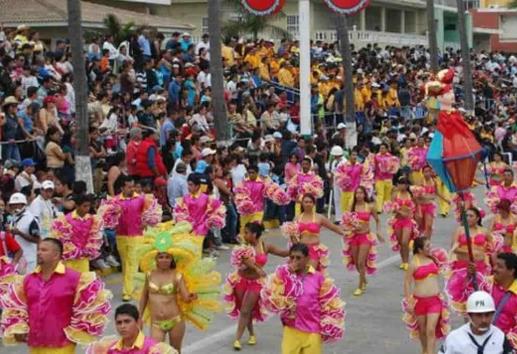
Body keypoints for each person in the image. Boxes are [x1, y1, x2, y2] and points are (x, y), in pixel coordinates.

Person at [0, 238, 111, 353]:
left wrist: (75, 332)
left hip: (62, 345)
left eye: (44, 250)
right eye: (38, 249)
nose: (39, 253)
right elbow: (17, 306)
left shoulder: (75, 279)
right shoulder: (27, 280)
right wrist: (18, 326)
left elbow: (88, 308)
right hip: (35, 343)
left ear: (56, 255)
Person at [261, 243, 345, 354]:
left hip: (312, 331)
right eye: (292, 257)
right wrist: (287, 277)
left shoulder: (318, 278)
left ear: (307, 259)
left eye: (298, 258)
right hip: (291, 329)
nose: (294, 261)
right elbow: (274, 298)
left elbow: (329, 303)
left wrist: (327, 324)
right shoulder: (283, 276)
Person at [224, 222, 288, 350]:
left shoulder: (265, 246)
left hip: (256, 283)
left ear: (254, 234)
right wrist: (257, 268)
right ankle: (252, 334)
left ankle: (237, 338)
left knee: (245, 310)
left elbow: (283, 253)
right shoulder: (243, 246)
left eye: (247, 232)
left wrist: (295, 241)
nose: (244, 235)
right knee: (245, 310)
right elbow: (245, 260)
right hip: (241, 280)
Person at [100, 175, 162, 301]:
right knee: (125, 263)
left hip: (136, 236)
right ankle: (131, 287)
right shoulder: (115, 201)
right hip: (121, 236)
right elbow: (105, 217)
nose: (131, 189)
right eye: (128, 187)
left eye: (132, 186)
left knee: (132, 262)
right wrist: (113, 214)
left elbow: (151, 213)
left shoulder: (141, 199)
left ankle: (127, 291)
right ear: (122, 187)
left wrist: (146, 221)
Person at [402, 237, 450, 354]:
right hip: (419, 302)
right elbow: (407, 282)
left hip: (434, 301)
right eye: (427, 246)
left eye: (430, 245)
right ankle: (425, 350)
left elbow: (446, 267)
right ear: (419, 250)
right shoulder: (414, 263)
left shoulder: (434, 259)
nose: (430, 248)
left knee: (430, 330)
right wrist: (409, 301)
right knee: (422, 330)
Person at [446, 207, 493, 315]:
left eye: (471, 216)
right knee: (466, 297)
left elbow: (492, 248)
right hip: (462, 268)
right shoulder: (460, 230)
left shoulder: (484, 231)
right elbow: (454, 248)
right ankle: (468, 321)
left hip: (480, 267)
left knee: (480, 294)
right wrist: (469, 253)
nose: (468, 218)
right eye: (466, 216)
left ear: (477, 218)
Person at [283, 193, 345, 272]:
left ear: (313, 203)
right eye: (306, 202)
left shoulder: (319, 217)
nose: (308, 204)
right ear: (302, 203)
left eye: (310, 202)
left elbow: (334, 228)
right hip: (301, 250)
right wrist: (293, 242)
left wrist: (346, 233)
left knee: (310, 272)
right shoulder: (297, 218)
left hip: (314, 250)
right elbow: (293, 236)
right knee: (298, 273)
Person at [439, 291, 512, 354]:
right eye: (478, 315)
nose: (484, 320)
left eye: (487, 315)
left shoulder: (500, 337)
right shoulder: (454, 338)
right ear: (469, 315)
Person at [86, 304, 177, 354]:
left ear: (137, 322)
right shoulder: (111, 349)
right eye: (119, 322)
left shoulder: (152, 349)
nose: (122, 326)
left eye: (127, 321)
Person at [342, 186, 383, 296]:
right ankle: (363, 278)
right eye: (357, 193)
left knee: (361, 262)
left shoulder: (370, 206)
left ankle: (360, 286)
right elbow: (347, 221)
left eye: (361, 193)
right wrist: (349, 228)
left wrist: (378, 232)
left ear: (365, 194)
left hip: (365, 237)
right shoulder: (352, 206)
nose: (359, 195)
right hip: (354, 237)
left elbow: (378, 220)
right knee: (356, 263)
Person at [50, 194, 103, 272]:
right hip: (70, 258)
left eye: (88, 206)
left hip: (84, 257)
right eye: (84, 206)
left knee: (84, 280)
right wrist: (73, 250)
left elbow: (94, 236)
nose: (87, 209)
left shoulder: (92, 219)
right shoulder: (66, 220)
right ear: (77, 206)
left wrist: (87, 249)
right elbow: (62, 238)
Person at [174, 174, 226, 243]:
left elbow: (217, 208)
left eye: (191, 185)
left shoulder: (206, 198)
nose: (188, 187)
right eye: (188, 185)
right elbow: (180, 212)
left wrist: (209, 221)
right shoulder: (185, 198)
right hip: (188, 227)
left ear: (197, 186)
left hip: (202, 227)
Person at [387, 177, 419, 271]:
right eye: (400, 184)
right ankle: (403, 261)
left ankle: (406, 261)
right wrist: (395, 210)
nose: (402, 186)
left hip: (407, 221)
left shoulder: (410, 194)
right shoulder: (395, 195)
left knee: (405, 241)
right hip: (397, 221)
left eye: (404, 184)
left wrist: (416, 215)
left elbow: (415, 206)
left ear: (407, 185)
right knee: (401, 242)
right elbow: (391, 208)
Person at [7, 192, 40, 273]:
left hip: (28, 258)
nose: (15, 207)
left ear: (23, 204)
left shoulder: (31, 219)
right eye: (13, 205)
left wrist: (20, 233)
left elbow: (37, 240)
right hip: (16, 258)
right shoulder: (14, 217)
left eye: (17, 204)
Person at [490, 252, 517, 349]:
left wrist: (505, 343)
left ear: (511, 271)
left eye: (500, 266)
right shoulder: (487, 284)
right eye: (495, 265)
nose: (494, 269)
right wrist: (469, 276)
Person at [414, 165, 449, 238]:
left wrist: (445, 200)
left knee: (429, 226)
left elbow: (437, 192)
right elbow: (416, 196)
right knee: (419, 226)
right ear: (422, 173)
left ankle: (427, 242)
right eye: (425, 172)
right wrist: (418, 208)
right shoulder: (420, 182)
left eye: (429, 171)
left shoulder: (434, 181)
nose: (428, 173)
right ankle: (419, 242)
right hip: (421, 206)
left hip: (429, 206)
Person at [374, 144, 400, 213]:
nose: (382, 150)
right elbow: (375, 166)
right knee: (380, 193)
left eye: (383, 148)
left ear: (386, 149)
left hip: (388, 178)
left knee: (387, 194)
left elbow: (393, 166)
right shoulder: (376, 156)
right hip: (379, 178)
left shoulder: (391, 157)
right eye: (381, 148)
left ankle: (386, 208)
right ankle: (379, 209)